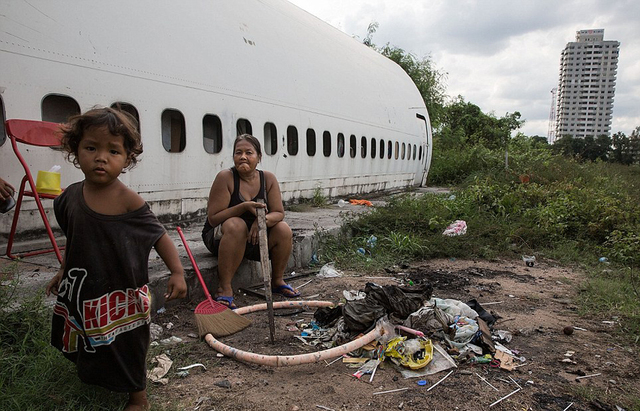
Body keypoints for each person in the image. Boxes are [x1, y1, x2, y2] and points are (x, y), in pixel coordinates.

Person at [45, 107, 187, 411]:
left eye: (113, 151)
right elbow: (74, 236)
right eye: (91, 148)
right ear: (75, 150)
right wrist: (63, 270)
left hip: (120, 293)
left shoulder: (127, 200)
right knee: (85, 334)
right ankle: (93, 376)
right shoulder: (70, 196)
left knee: (127, 344)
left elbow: (159, 235)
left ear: (127, 159)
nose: (101, 157)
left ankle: (138, 397)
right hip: (85, 288)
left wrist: (177, 272)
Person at [202, 134, 298, 309]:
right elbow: (213, 218)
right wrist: (244, 206)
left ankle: (277, 281)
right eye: (238, 153)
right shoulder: (226, 177)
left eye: (249, 152)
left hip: (253, 236)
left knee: (283, 230)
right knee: (236, 224)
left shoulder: (267, 179)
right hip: (221, 235)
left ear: (259, 157)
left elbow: (278, 213)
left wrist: (261, 222)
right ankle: (225, 287)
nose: (243, 157)